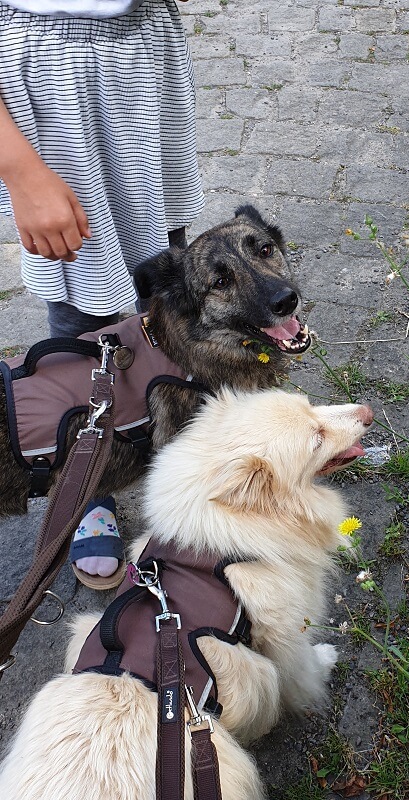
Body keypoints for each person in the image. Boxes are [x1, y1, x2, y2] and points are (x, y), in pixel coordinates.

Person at [0, 0, 204, 587]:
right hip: (47, 75)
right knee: (81, 306)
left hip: (141, 52)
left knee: (163, 276)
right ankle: (88, 478)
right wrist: (24, 175)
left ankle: (180, 447)